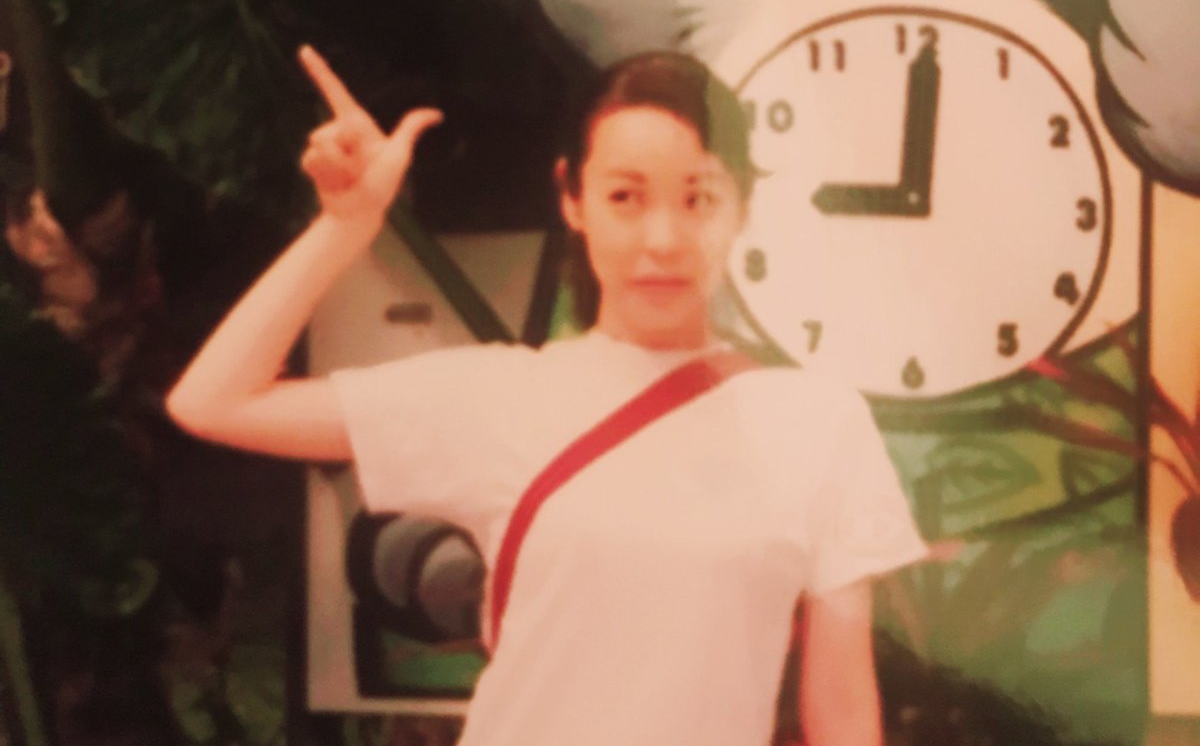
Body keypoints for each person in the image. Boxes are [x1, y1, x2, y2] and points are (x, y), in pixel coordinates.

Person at [167, 46, 926, 746]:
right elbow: (212, 401)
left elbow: (842, 706)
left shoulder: (816, 423)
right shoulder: (501, 395)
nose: (663, 238)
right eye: (626, 196)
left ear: (743, 207)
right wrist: (347, 224)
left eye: (698, 198)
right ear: (573, 198)